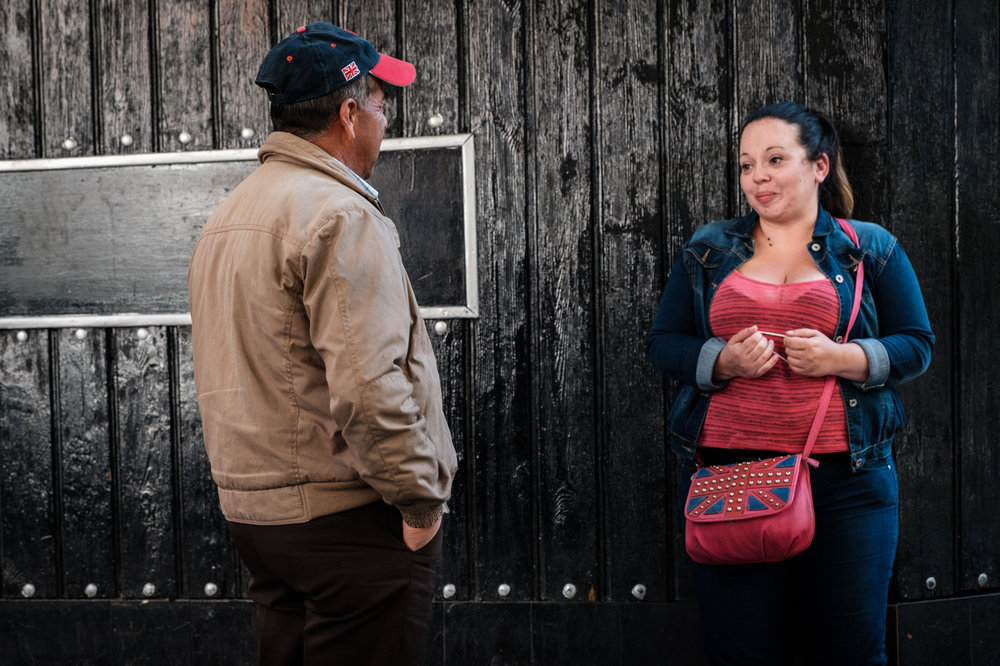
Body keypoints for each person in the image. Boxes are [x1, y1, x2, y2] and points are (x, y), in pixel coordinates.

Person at [187, 22, 457, 666]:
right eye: (381, 104)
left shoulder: (229, 216)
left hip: (261, 522)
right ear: (347, 112)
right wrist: (419, 502)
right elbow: (368, 384)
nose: (385, 121)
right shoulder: (339, 214)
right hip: (347, 520)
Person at [646, 101, 933, 665]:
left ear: (819, 167)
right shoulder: (708, 248)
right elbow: (663, 342)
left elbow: (916, 344)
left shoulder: (868, 246)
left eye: (775, 160)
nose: (758, 178)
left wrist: (840, 358)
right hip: (728, 475)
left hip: (849, 482)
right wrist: (720, 362)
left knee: (851, 650)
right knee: (741, 651)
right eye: (747, 165)